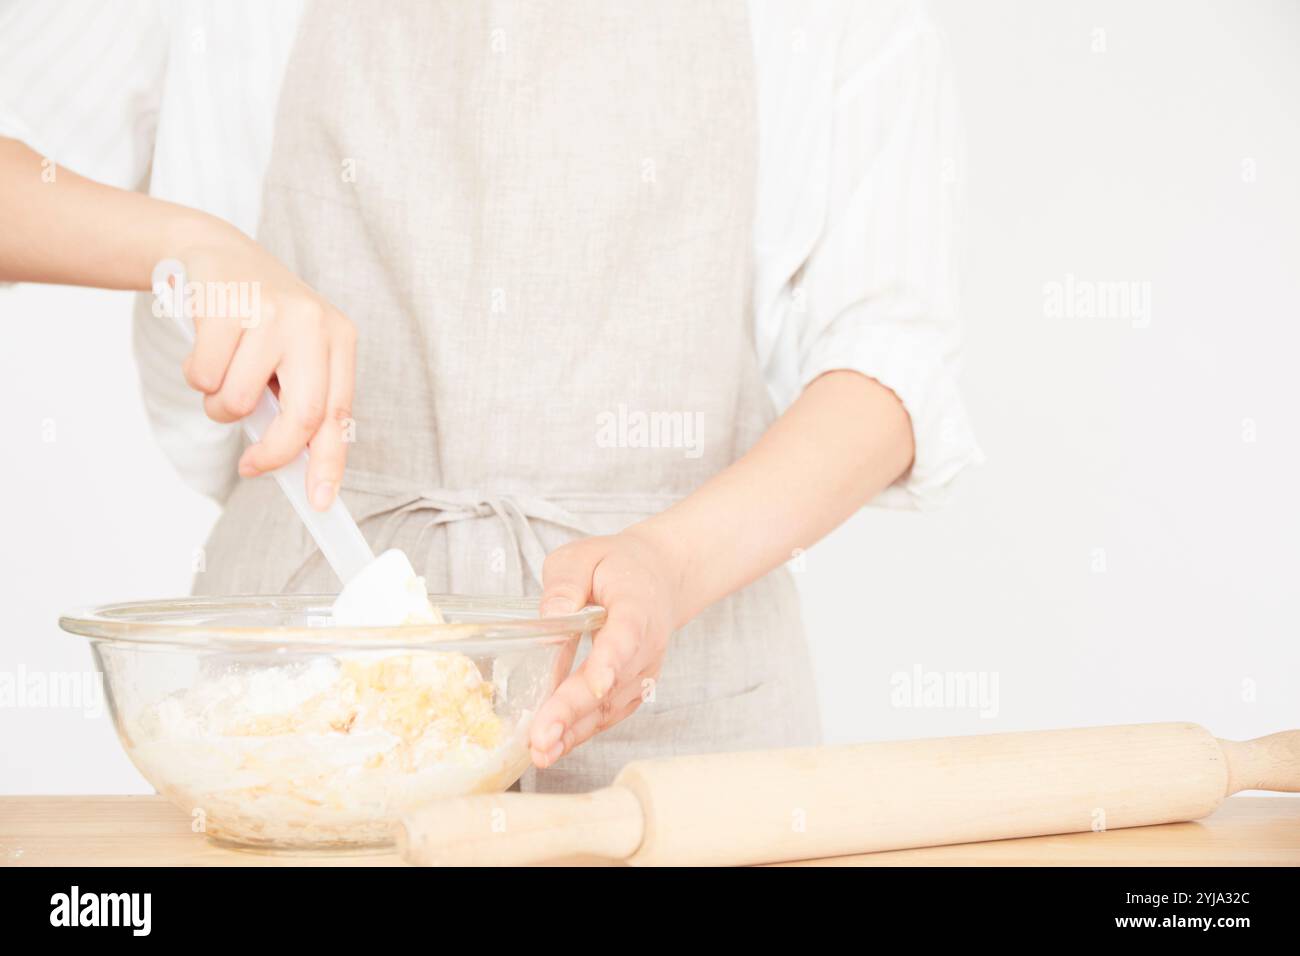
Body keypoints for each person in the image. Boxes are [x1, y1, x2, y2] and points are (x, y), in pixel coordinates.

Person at [0, 0, 982, 792]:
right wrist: (183, 243)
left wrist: (666, 563)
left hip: (692, 726)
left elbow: (889, 372)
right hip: (295, 732)